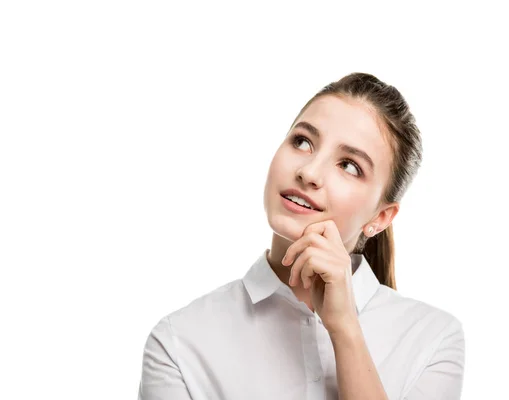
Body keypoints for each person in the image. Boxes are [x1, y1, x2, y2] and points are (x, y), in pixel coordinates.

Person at [137, 72, 465, 400]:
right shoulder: (179, 344)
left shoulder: (432, 340)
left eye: (349, 166)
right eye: (303, 141)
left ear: (380, 218)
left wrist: (345, 329)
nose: (308, 172)